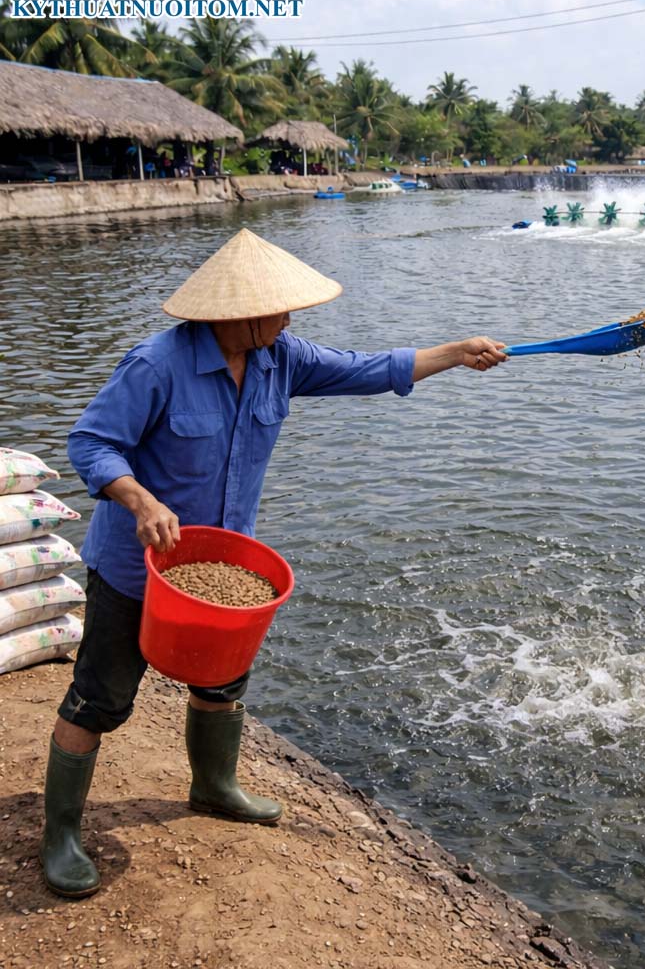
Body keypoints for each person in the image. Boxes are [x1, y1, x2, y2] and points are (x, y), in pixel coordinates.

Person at [42, 228, 508, 899]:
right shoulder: (156, 366)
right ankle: (60, 834)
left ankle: (214, 785)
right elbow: (91, 443)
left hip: (227, 570)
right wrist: (139, 499)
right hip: (137, 568)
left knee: (220, 682)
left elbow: (366, 368)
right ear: (237, 314)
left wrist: (455, 354)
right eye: (279, 310)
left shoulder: (279, 357)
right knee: (100, 699)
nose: (289, 321)